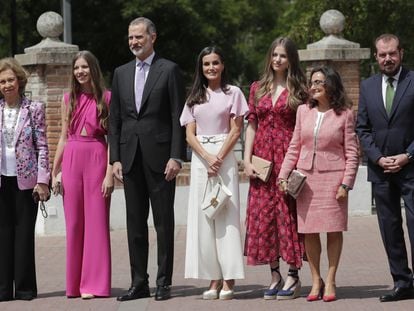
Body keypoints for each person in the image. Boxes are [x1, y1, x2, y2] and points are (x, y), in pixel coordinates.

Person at [109, 17, 185, 301]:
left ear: (153, 37)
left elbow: (179, 116)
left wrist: (177, 156)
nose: (133, 42)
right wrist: (114, 158)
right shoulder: (121, 72)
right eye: (130, 37)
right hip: (129, 159)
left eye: (139, 37)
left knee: (163, 223)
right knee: (134, 225)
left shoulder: (169, 70)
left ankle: (163, 282)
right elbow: (115, 119)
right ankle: (139, 282)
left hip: (161, 158)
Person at [279, 65, 359, 302]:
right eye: (312, 82)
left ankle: (331, 279)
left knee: (333, 231)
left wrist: (346, 183)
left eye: (318, 82)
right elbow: (294, 146)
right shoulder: (303, 111)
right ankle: (316, 280)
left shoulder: (344, 114)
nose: (312, 86)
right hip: (306, 181)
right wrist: (283, 176)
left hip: (334, 181)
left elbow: (352, 153)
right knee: (309, 232)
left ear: (331, 85)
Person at [180, 46, 247, 300]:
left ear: (223, 65)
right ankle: (213, 278)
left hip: (225, 159)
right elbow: (189, 134)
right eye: (206, 63)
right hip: (200, 161)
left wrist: (218, 157)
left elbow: (236, 130)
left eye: (215, 63)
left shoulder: (234, 93)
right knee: (205, 217)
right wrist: (207, 157)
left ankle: (230, 279)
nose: (211, 68)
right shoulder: (194, 96)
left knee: (226, 216)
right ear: (201, 67)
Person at [243, 37, 308, 300]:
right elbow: (251, 125)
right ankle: (274, 273)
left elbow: (303, 127)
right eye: (274, 55)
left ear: (291, 59)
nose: (278, 60)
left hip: (288, 158)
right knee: (265, 216)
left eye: (283, 55)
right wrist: (246, 160)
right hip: (262, 161)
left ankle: (293, 272)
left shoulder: (301, 89)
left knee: (288, 215)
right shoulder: (258, 88)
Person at [356, 34, 414, 302]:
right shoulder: (367, 87)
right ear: (376, 57)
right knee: (390, 228)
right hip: (381, 171)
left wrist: (407, 155)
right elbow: (362, 128)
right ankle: (402, 283)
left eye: (392, 53)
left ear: (401, 53)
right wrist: (378, 158)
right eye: (382, 55)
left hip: (411, 167)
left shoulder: (413, 81)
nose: (387, 59)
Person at [51, 51, 113, 299]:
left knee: (97, 223)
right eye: (76, 68)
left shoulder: (106, 97)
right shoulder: (68, 99)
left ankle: (94, 285)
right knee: (74, 223)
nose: (80, 72)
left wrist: (110, 173)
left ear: (93, 69)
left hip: (97, 156)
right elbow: (63, 137)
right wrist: (54, 172)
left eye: (84, 67)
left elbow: (113, 138)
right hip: (72, 159)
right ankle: (74, 285)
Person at [0, 57, 50, 301]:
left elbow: (42, 145)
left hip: (26, 181)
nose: (7, 85)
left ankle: (25, 288)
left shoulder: (34, 109)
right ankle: (2, 290)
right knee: (2, 234)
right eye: (2, 82)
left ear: (19, 81)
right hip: (1, 180)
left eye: (10, 80)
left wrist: (43, 180)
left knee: (24, 234)